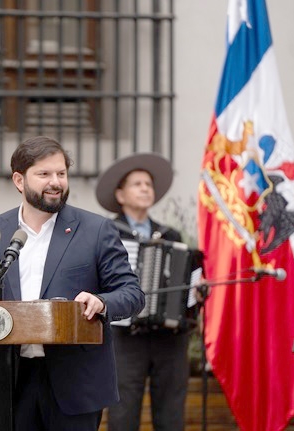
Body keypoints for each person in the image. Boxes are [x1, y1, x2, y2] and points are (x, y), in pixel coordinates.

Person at [0, 136, 145, 431]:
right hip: (17, 377)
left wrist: (102, 302)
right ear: (19, 180)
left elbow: (132, 293)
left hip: (76, 380)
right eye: (44, 174)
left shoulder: (96, 229)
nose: (55, 182)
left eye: (61, 173)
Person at [95, 153, 189, 431]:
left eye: (148, 184)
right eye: (137, 184)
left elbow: (182, 277)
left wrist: (194, 293)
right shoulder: (106, 232)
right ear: (120, 195)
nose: (146, 188)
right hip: (124, 336)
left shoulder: (169, 235)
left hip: (167, 337)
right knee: (123, 411)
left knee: (171, 411)